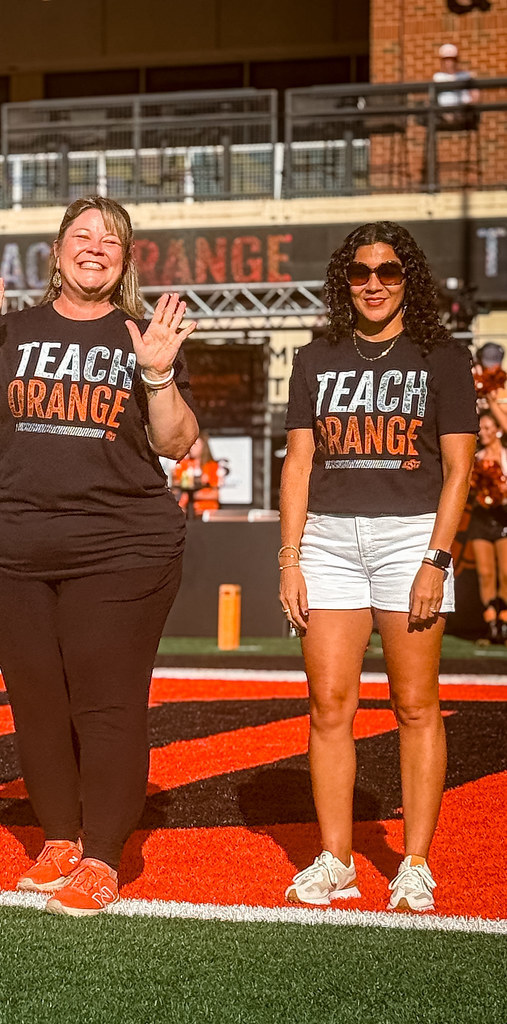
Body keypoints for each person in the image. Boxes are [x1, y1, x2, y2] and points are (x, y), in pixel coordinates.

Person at [0, 195, 198, 916]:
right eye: (81, 235)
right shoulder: (10, 329)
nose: (95, 246)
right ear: (55, 252)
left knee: (105, 704)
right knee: (38, 705)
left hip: (122, 545)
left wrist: (156, 374)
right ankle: (58, 837)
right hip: (12, 546)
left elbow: (176, 443)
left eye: (110, 239)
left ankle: (104, 859)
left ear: (126, 258)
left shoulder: (145, 335)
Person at [279, 221, 477, 913]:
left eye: (387, 271)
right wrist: (289, 558)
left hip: (409, 540)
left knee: (414, 705)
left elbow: (459, 472)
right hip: (328, 540)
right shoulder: (314, 358)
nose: (372, 283)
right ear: (344, 280)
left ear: (406, 279)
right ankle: (335, 859)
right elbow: (298, 463)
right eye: (360, 272)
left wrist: (435, 558)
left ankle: (414, 862)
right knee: (328, 706)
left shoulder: (442, 358)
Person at [468, 411, 507, 643]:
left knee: (505, 572)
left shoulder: (504, 456)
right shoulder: (477, 458)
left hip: (503, 518)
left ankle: (503, 618)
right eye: (481, 427)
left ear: (497, 430)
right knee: (485, 572)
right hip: (481, 518)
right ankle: (490, 621)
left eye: (488, 427)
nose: (484, 432)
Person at [171, 431, 221, 517]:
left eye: (195, 444)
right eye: (190, 444)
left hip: (207, 511)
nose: (191, 448)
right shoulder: (182, 465)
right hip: (185, 511)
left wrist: (192, 495)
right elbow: (176, 488)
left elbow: (215, 495)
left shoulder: (212, 466)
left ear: (203, 446)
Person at [433, 43, 480, 127]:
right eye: (446, 59)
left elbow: (475, 95)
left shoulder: (466, 76)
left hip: (464, 112)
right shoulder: (438, 77)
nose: (449, 62)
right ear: (442, 61)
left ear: (456, 60)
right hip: (444, 114)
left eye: (452, 59)